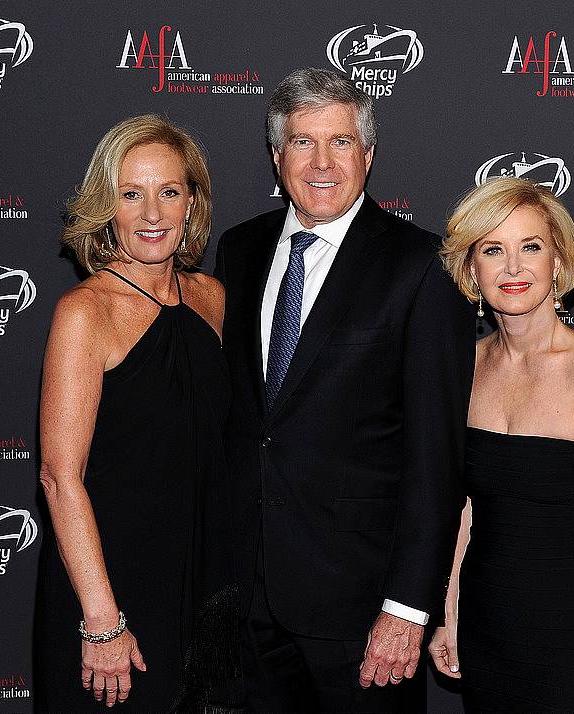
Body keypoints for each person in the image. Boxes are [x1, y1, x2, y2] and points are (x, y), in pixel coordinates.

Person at [214, 67, 476, 712]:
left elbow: (437, 461)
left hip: (363, 611)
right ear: (278, 158)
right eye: (303, 142)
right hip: (248, 601)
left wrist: (408, 607)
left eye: (340, 141)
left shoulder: (422, 267)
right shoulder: (239, 250)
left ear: (368, 153)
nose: (322, 162)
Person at [34, 115, 237, 712]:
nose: (153, 212)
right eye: (132, 193)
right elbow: (59, 475)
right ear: (107, 206)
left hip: (200, 583)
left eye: (169, 191)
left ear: (191, 202)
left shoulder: (213, 298)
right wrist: (101, 621)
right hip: (110, 584)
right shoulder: (85, 312)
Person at [430, 177, 574, 713]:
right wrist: (451, 614)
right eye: (493, 250)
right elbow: (462, 509)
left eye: (531, 247)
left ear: (558, 263)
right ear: (471, 269)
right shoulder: (465, 369)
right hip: (488, 629)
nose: (513, 268)